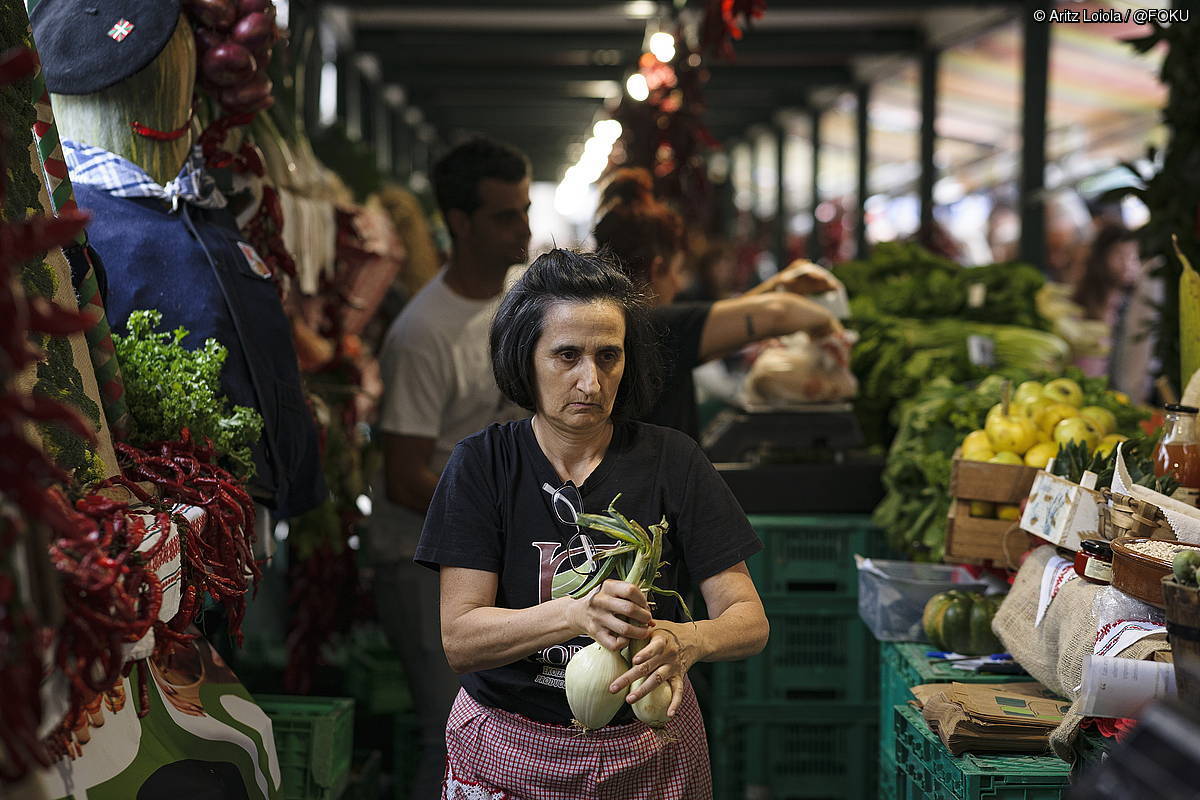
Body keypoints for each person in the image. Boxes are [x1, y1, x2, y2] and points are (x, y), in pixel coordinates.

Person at [415, 249, 769, 798]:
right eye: (566, 356)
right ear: (525, 356)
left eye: (609, 356)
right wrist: (577, 613)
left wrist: (690, 638)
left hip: (651, 752)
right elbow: (461, 640)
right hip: (510, 752)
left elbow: (749, 619)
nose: (590, 381)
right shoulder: (483, 464)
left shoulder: (674, 461)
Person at [369, 137, 531, 800]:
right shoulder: (422, 333)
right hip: (422, 560)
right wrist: (505, 520)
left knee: (500, 730)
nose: (524, 228)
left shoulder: (522, 303)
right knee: (451, 733)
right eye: (504, 217)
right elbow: (406, 475)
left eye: (524, 210)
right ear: (459, 223)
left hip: (490, 549)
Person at [592, 168, 841, 439]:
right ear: (657, 267)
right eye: (677, 270)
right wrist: (833, 323)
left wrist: (776, 285)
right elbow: (780, 313)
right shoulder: (653, 328)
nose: (678, 284)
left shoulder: (608, 327)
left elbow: (714, 326)